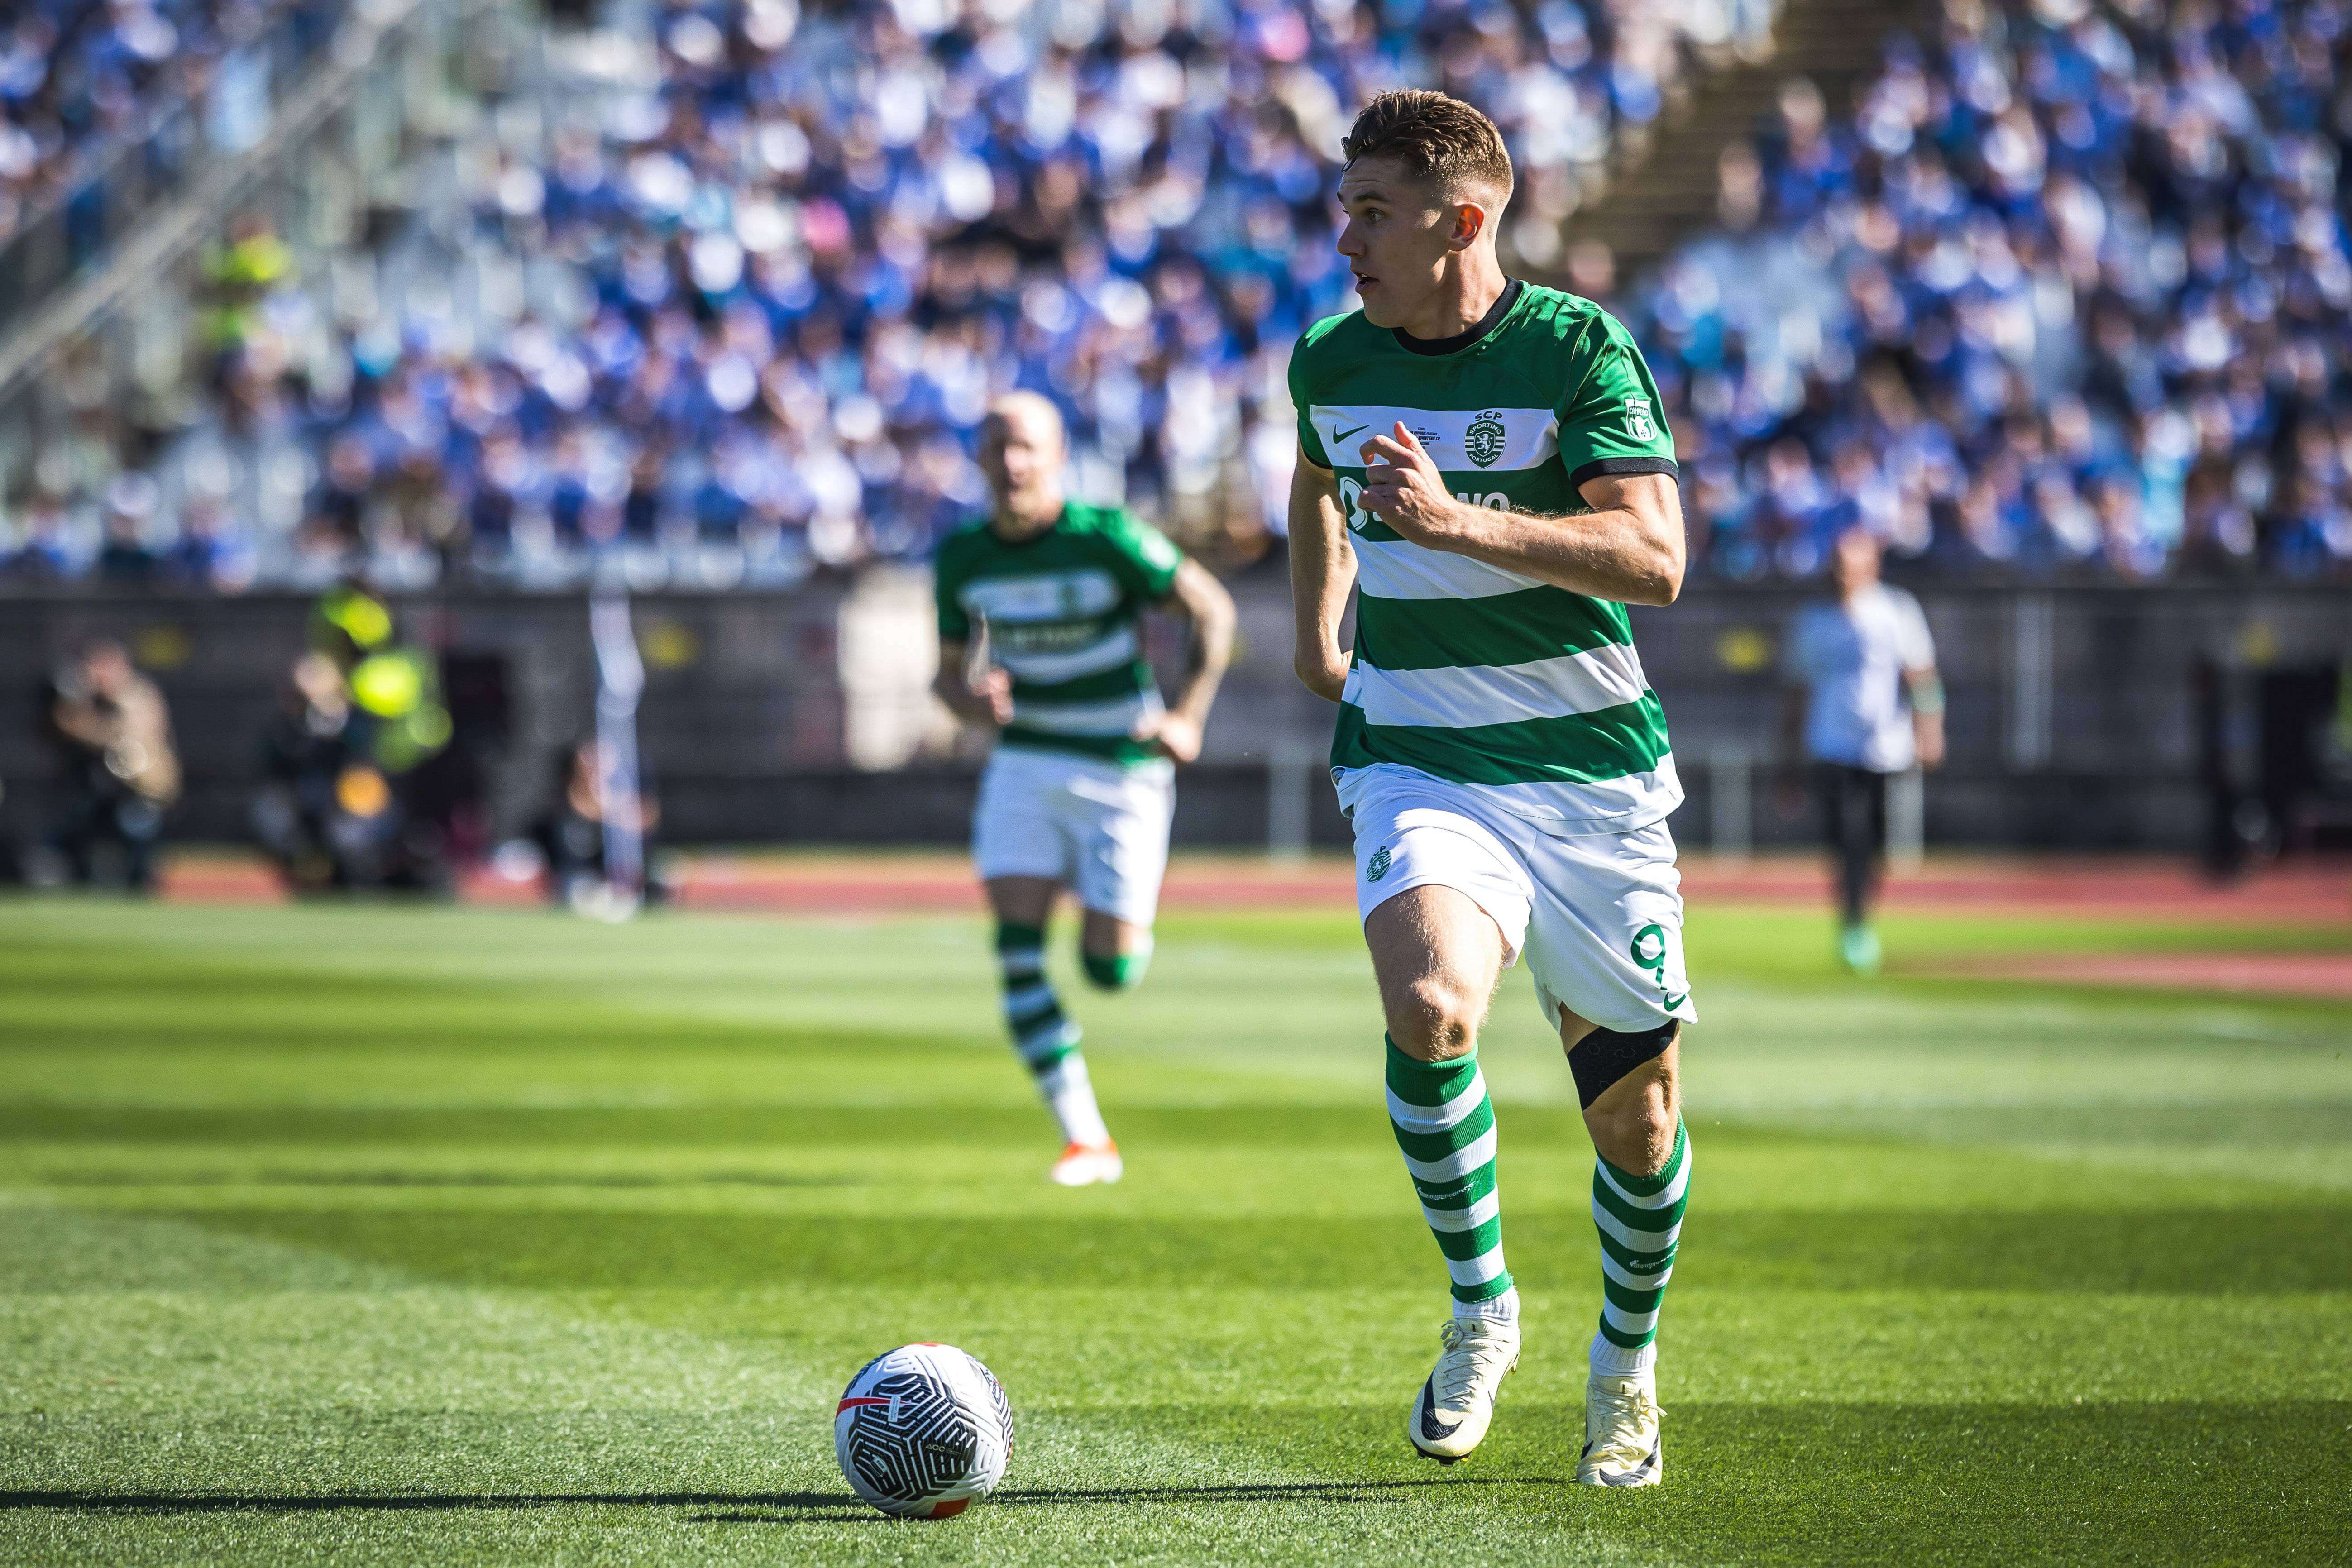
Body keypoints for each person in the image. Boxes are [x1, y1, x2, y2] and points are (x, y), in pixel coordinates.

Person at [1286, 91, 1692, 1487]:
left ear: (1460, 222)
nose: (1346, 238)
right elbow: (1314, 480)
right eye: (1345, 208)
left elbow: (1655, 560)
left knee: (1635, 1125)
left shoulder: (1575, 349)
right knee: (1430, 1005)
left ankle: (1623, 1366)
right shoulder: (1328, 359)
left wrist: (1458, 522)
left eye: (1372, 212)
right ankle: (1481, 1306)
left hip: (1589, 777)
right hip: (1418, 755)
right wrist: (1317, 631)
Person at [932, 392, 1237, 1187]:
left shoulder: (1107, 537)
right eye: (997, 446)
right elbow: (945, 676)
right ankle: (1086, 1140)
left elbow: (1212, 609)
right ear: (978, 459)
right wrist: (970, 701)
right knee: (1016, 948)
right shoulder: (963, 556)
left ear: (1058, 456)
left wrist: (1187, 716)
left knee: (1110, 971)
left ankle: (1115, 928)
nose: (1012, 462)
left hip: (1120, 768)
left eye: (1026, 446)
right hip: (1025, 763)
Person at [1780, 525, 1945, 973]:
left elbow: (1921, 675)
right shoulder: (1815, 621)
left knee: (1875, 840)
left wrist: (1930, 729)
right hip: (1830, 745)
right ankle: (1853, 922)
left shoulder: (1896, 611)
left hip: (1885, 748)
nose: (1843, 575)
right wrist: (1789, 756)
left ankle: (1860, 910)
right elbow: (1798, 690)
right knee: (1845, 837)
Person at [44, 641, 181, 890]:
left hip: (139, 790)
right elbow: (65, 725)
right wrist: (79, 698)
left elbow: (137, 732)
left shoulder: (137, 694)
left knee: (137, 838)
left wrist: (97, 724)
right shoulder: (85, 698)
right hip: (96, 790)